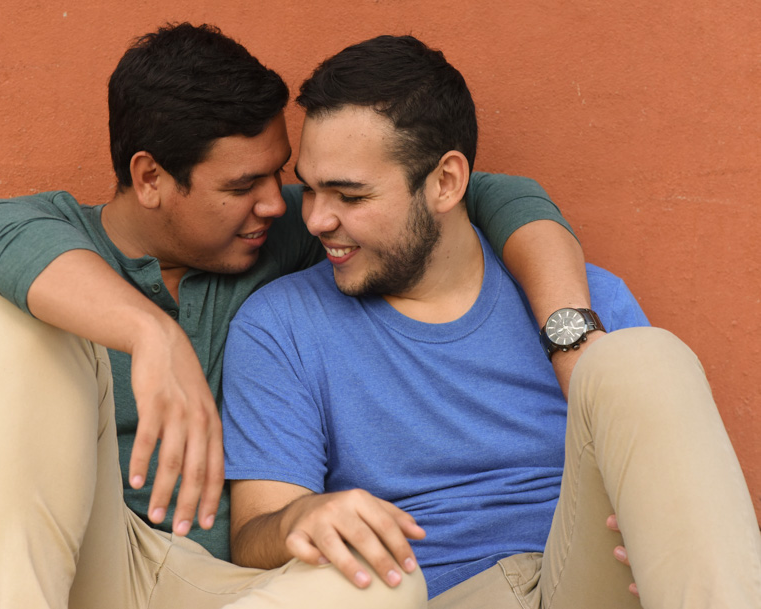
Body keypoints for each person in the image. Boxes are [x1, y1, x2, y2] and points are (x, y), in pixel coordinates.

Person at [0, 23, 596, 609]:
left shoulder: (285, 234)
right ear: (149, 178)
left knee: (376, 580)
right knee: (10, 321)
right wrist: (150, 332)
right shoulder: (50, 232)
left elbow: (477, 194)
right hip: (91, 564)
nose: (279, 205)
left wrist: (572, 341)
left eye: (276, 176)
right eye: (240, 187)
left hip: (222, 588)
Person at [221, 35, 761, 609]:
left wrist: (664, 529)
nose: (316, 219)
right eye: (310, 189)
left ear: (446, 182)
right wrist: (300, 518)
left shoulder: (584, 301)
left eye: (350, 196)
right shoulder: (280, 323)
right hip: (421, 589)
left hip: (582, 576)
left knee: (646, 357)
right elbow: (253, 537)